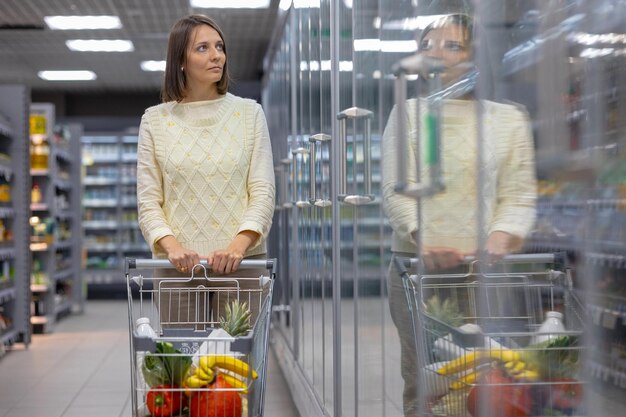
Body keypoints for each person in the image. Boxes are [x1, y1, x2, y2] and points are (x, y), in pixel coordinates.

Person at [381, 14, 537, 416]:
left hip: (486, 272)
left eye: (453, 46)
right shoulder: (409, 114)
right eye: (429, 45)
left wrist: (502, 236)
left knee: (497, 378)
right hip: (418, 272)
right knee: (426, 382)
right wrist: (421, 237)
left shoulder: (508, 119)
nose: (437, 54)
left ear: (476, 57)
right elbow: (396, 189)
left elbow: (519, 195)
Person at [137, 14, 275, 329]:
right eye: (202, 48)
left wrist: (237, 247)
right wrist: (172, 248)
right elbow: (148, 200)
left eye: (219, 47)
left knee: (237, 368)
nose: (216, 56)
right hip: (178, 270)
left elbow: (263, 191)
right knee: (185, 367)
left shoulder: (249, 114)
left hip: (242, 265)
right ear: (180, 61)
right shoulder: (155, 121)